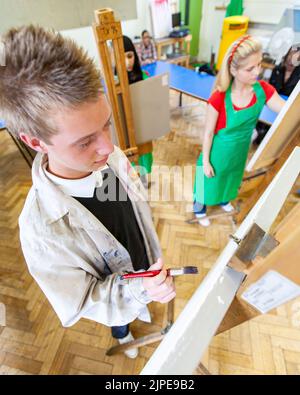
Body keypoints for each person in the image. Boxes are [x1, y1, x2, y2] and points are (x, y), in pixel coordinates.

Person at [0, 25, 175, 359]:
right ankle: (123, 333)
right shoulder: (41, 232)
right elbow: (83, 300)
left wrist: (146, 273)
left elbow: (129, 208)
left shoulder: (106, 155)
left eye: (106, 124)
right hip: (123, 291)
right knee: (121, 318)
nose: (108, 146)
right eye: (84, 141)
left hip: (141, 257)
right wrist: (137, 290)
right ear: (35, 142)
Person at [193, 35, 286, 227]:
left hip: (240, 150)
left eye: (259, 65)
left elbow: (287, 109)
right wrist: (206, 161)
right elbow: (208, 133)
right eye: (250, 68)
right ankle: (199, 207)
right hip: (218, 151)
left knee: (231, 177)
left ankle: (224, 199)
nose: (257, 72)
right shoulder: (219, 97)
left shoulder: (263, 90)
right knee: (209, 181)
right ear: (233, 69)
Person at [123, 35, 154, 188]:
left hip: (143, 125)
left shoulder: (143, 76)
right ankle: (135, 181)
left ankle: (144, 179)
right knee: (131, 157)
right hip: (127, 128)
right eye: (122, 58)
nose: (128, 62)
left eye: (130, 56)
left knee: (145, 154)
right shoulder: (116, 82)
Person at [253, 44, 300, 145]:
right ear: (287, 56)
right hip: (272, 104)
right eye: (290, 57)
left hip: (287, 105)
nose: (291, 61)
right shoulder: (277, 69)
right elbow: (270, 89)